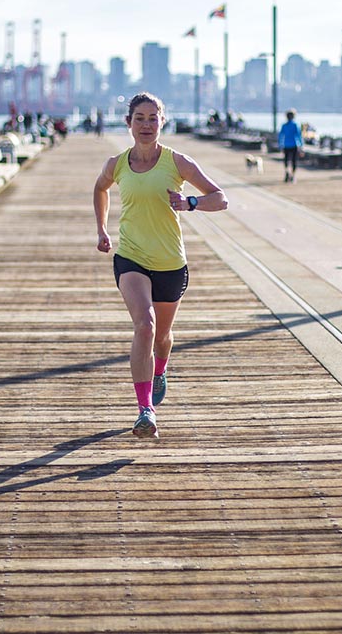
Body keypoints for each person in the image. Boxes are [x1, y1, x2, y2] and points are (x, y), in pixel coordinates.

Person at [93, 92, 229, 439]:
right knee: (145, 325)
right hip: (131, 258)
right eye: (139, 118)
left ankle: (160, 369)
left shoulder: (177, 162)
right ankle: (145, 410)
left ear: (162, 122)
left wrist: (189, 202)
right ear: (128, 123)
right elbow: (100, 189)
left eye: (153, 118)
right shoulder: (117, 164)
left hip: (170, 263)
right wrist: (102, 229)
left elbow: (220, 198)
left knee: (163, 338)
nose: (146, 125)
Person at [278, 109, 303, 183]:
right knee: (294, 161)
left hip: (286, 145)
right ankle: (293, 175)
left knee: (286, 160)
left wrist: (280, 145)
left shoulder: (284, 125)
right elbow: (299, 136)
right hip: (294, 145)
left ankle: (287, 172)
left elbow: (280, 136)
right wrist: (301, 145)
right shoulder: (295, 125)